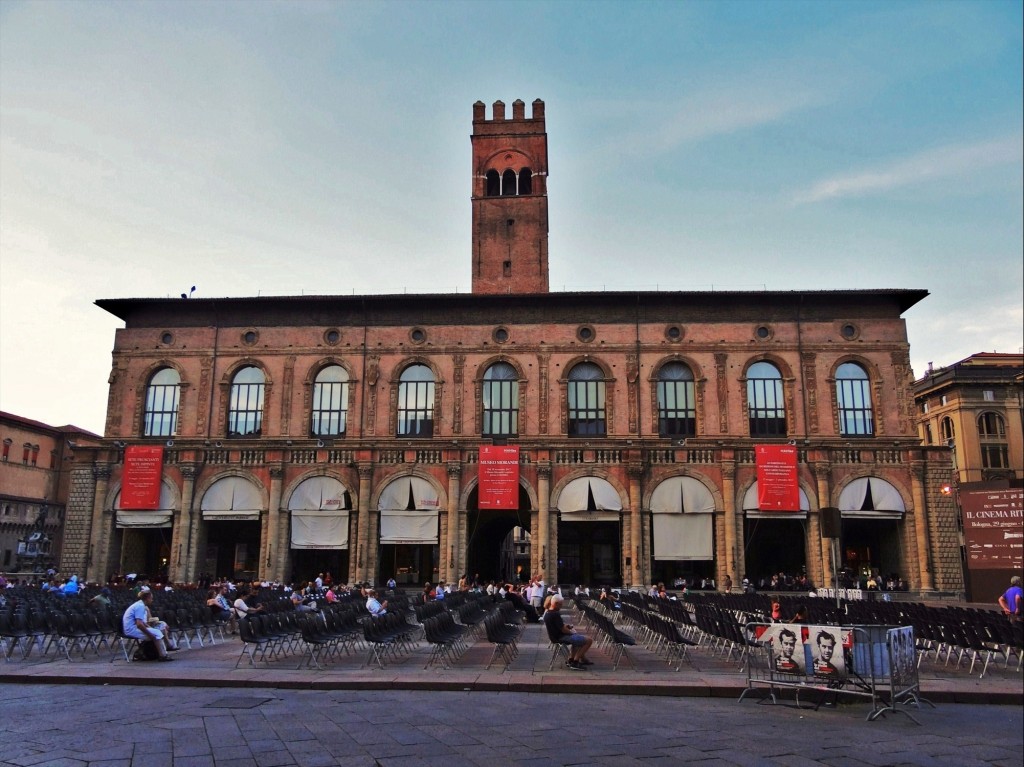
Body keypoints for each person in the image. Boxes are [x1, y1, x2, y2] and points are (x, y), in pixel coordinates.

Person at [543, 593, 593, 670]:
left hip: (555, 636)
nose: (561, 606)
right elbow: (563, 630)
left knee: (577, 640)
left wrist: (567, 627)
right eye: (560, 605)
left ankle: (571, 659)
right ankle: (575, 662)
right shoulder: (555, 614)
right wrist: (572, 632)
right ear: (556, 604)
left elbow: (558, 626)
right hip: (560, 637)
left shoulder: (548, 613)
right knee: (589, 640)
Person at [122, 590, 175, 661]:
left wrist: (150, 629)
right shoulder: (140, 606)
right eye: (151, 598)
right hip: (131, 629)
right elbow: (139, 624)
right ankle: (163, 656)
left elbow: (142, 622)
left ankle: (162, 654)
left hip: (133, 627)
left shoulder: (140, 605)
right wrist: (150, 634)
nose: (152, 600)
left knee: (158, 631)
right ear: (147, 598)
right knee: (157, 633)